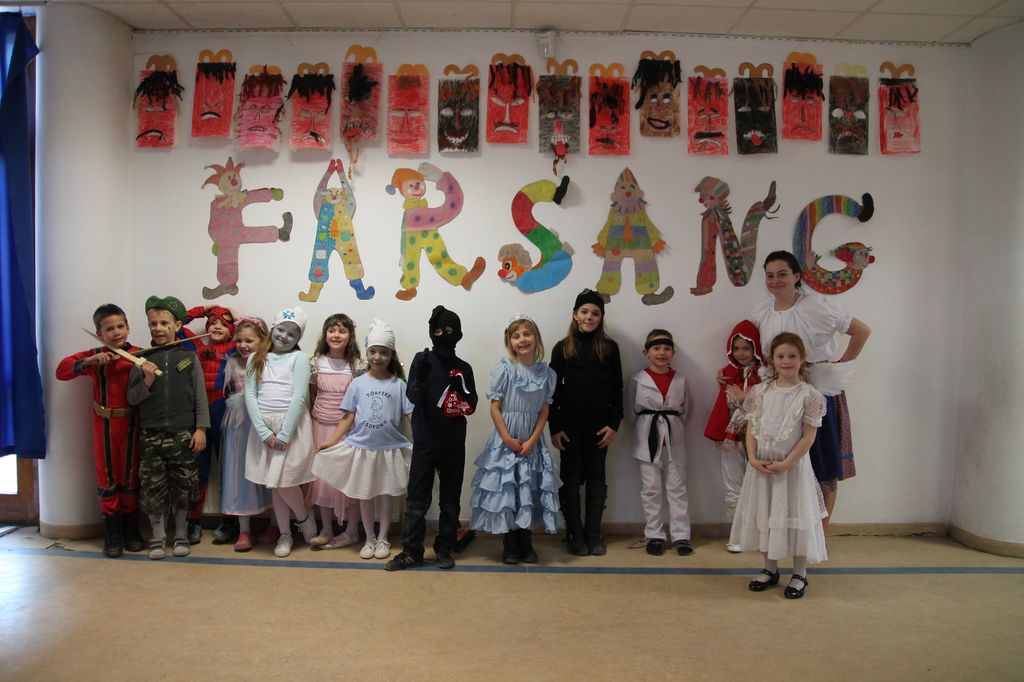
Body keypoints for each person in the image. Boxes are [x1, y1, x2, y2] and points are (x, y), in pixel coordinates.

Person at [749, 250, 870, 531]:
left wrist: (840, 364)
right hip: (781, 394)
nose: (775, 280)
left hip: (818, 389)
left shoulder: (817, 306)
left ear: (796, 276)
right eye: (770, 275)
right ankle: (788, 530)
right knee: (783, 459)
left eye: (782, 274)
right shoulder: (762, 313)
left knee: (822, 462)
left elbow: (861, 331)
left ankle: (820, 532)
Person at [729, 333, 828, 600]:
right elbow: (751, 427)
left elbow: (808, 437)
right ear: (771, 360)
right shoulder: (760, 392)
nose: (786, 361)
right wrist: (752, 457)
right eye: (780, 356)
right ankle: (770, 568)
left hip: (791, 469)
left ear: (802, 358)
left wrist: (786, 462)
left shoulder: (810, 395)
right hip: (762, 467)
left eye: (792, 356)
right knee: (766, 516)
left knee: (796, 518)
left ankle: (799, 573)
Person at [312, 319, 413, 561]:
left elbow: (410, 416)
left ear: (392, 354)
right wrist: (332, 441)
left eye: (384, 352)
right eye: (373, 351)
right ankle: (369, 538)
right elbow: (347, 417)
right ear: (367, 352)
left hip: (389, 450)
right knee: (364, 494)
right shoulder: (357, 384)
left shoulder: (399, 385)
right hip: (362, 448)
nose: (378, 357)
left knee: (387, 495)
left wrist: (423, 439)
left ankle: (383, 537)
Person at [387, 306, 478, 571]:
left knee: (450, 500)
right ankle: (411, 551)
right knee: (416, 499)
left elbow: (471, 405)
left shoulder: (464, 368)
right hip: (425, 440)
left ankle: (445, 549)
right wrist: (420, 378)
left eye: (448, 330)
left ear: (458, 333)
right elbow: (413, 397)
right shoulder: (422, 359)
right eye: (437, 331)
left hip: (453, 442)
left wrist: (461, 389)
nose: (442, 335)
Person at [56, 303, 145, 558]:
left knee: (130, 476)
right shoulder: (95, 356)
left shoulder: (139, 354)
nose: (116, 332)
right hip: (104, 423)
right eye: (109, 329)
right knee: (107, 478)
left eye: (120, 326)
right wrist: (89, 361)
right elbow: (61, 371)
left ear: (128, 327)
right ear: (99, 333)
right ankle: (112, 534)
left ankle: (131, 531)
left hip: (131, 423)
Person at [469, 315, 559, 564]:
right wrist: (507, 438)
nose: (522, 340)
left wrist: (533, 440)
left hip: (532, 442)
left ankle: (525, 541)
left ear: (536, 338)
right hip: (505, 442)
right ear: (510, 342)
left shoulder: (546, 374)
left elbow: (544, 411)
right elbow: (495, 408)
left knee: (528, 488)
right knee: (508, 489)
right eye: (516, 336)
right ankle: (509, 543)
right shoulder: (505, 370)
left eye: (527, 334)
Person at [126, 296, 210, 560]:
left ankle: (181, 534)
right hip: (150, 435)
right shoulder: (140, 359)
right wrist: (147, 379)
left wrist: (201, 429)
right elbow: (132, 398)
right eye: (153, 323)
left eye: (164, 323)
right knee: (154, 487)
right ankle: (158, 536)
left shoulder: (189, 357)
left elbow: (200, 396)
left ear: (177, 326)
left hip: (183, 434)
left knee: (184, 486)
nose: (158, 328)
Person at [550, 290, 623, 555]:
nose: (589, 317)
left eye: (595, 313)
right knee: (570, 480)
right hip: (569, 428)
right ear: (575, 314)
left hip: (599, 428)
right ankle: (574, 532)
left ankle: (593, 532)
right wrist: (555, 428)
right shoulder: (562, 348)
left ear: (601, 317)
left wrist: (613, 424)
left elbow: (617, 389)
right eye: (584, 312)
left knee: (596, 479)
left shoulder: (610, 348)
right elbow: (551, 392)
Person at [243, 306, 318, 558]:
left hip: (291, 427)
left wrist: (285, 434)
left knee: (284, 482)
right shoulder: (255, 358)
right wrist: (264, 432)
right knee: (275, 484)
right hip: (265, 428)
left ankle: (303, 518)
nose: (284, 336)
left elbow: (299, 397)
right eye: (281, 330)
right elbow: (250, 396)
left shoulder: (299, 359)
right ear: (273, 329)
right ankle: (286, 533)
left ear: (298, 339)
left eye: (292, 334)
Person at [625, 329, 692, 557]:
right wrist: (645, 429)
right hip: (646, 440)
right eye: (656, 348)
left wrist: (671, 425)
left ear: (673, 352)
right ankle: (654, 534)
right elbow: (631, 412)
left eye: (666, 348)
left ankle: (681, 536)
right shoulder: (637, 379)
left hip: (675, 441)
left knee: (677, 488)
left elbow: (686, 410)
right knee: (651, 489)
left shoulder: (680, 380)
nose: (661, 353)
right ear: (646, 352)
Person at [307, 314, 366, 550]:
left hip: (349, 430)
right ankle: (326, 529)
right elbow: (313, 394)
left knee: (349, 481)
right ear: (325, 334)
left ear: (350, 336)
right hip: (321, 427)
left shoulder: (358, 366)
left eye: (342, 331)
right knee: (323, 480)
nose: (336, 335)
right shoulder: (316, 362)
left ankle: (352, 530)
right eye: (332, 330)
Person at [704, 320, 763, 551]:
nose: (741, 353)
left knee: (758, 481)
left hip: (757, 434)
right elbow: (727, 400)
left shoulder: (766, 373)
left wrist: (745, 395)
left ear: (755, 348)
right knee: (733, 480)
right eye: (736, 348)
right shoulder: (728, 373)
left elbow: (765, 400)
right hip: (732, 436)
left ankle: (759, 532)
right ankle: (739, 533)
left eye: (746, 348)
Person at [183, 304, 237, 545]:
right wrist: (203, 309)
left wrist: (236, 317)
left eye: (223, 324)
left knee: (227, 470)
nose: (216, 326)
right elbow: (178, 322)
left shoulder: (234, 348)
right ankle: (193, 520)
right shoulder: (196, 346)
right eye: (212, 323)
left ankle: (230, 522)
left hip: (224, 411)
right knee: (198, 471)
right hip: (199, 415)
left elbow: (257, 333)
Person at [219, 317, 273, 552]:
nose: (243, 345)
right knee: (239, 473)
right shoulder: (232, 364)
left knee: (270, 470)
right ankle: (244, 529)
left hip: (263, 421)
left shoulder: (269, 364)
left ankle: (276, 524)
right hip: (240, 424)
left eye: (249, 340)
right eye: (239, 340)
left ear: (263, 341)